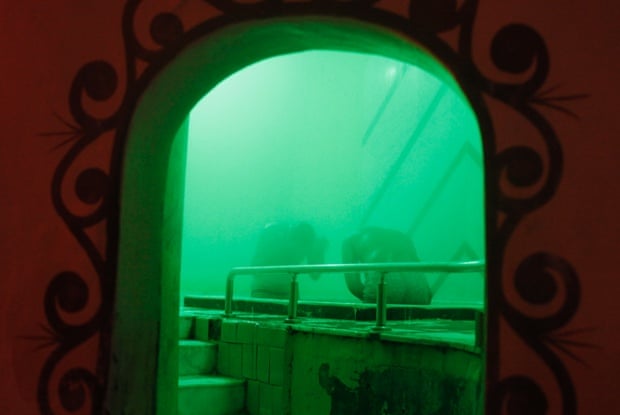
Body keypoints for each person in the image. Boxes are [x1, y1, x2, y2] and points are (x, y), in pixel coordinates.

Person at [341, 227, 431, 305]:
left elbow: (353, 285)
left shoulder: (350, 238)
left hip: (384, 281)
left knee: (375, 321)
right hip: (418, 285)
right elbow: (419, 266)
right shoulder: (400, 236)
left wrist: (373, 299)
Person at [250, 222, 327, 299]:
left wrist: (319, 253)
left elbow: (315, 275)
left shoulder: (309, 240)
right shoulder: (273, 235)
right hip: (263, 289)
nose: (301, 256)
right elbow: (254, 267)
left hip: (288, 290)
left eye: (304, 250)